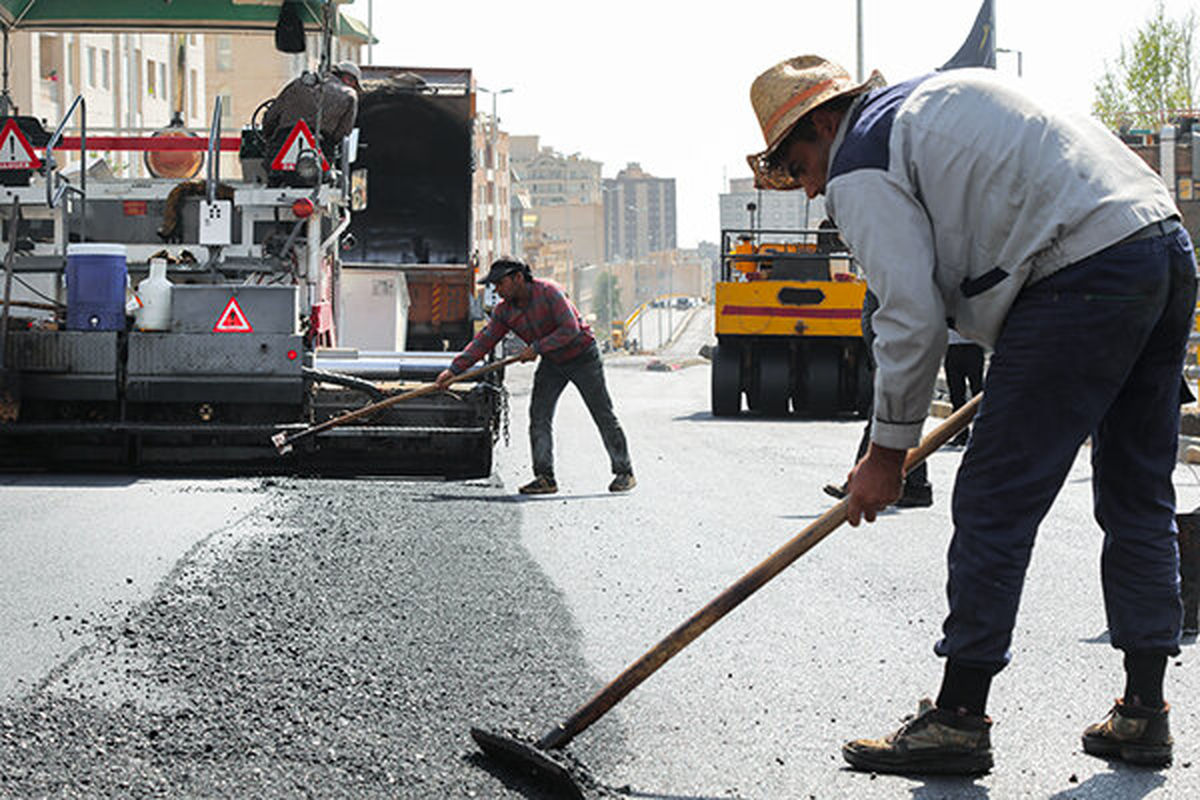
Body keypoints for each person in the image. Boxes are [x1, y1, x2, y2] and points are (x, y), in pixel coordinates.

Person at [747, 54, 1194, 774]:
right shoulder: (934, 103)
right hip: (1159, 248)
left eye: (799, 166)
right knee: (1139, 492)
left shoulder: (861, 158)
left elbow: (910, 318)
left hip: (1078, 274)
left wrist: (888, 453)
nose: (811, 188)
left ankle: (956, 719)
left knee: (993, 498)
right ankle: (1144, 713)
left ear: (824, 124)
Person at [435, 258, 635, 495]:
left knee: (602, 413)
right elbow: (484, 341)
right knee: (539, 415)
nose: (496, 290)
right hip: (553, 361)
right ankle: (545, 477)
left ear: (518, 278)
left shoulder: (549, 292)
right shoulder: (505, 311)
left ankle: (624, 472)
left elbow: (569, 329)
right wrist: (454, 371)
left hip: (582, 356)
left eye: (500, 283)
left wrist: (538, 347)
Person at [823, 289, 932, 508]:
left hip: (895, 357)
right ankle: (917, 487)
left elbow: (882, 320)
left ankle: (858, 485)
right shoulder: (882, 275)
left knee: (881, 421)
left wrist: (885, 361)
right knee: (899, 421)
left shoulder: (888, 274)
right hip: (890, 357)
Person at [261, 61, 361, 158]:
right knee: (326, 173)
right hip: (320, 147)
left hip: (283, 141)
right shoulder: (349, 95)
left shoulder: (299, 83)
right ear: (348, 79)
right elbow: (343, 131)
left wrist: (269, 137)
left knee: (270, 171)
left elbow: (272, 115)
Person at [943, 329, 985, 447]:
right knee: (956, 395)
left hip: (973, 347)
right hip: (952, 348)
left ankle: (981, 433)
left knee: (977, 393)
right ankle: (961, 434)